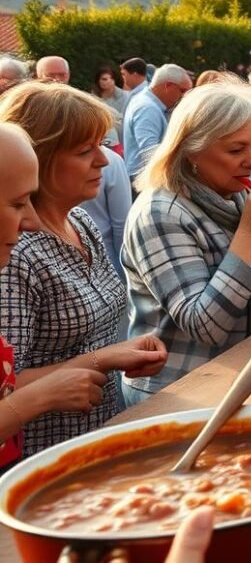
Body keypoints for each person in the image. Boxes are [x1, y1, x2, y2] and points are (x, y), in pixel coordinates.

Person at [121, 82, 251, 402]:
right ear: (192, 148)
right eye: (236, 150)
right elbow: (205, 324)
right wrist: (248, 231)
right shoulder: (159, 214)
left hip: (238, 374)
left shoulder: (230, 190)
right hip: (181, 391)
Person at [0, 85, 168, 454]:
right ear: (39, 160)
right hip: (43, 457)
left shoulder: (80, 220)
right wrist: (101, 359)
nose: (104, 161)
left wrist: (121, 351)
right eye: (83, 151)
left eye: (102, 145)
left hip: (98, 436)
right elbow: (7, 386)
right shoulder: (13, 253)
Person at [0, 123, 119, 470]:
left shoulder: (81, 223)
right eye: (19, 203)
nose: (31, 222)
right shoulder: (18, 262)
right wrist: (40, 397)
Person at [123, 64, 192, 178]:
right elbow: (150, 151)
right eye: (183, 91)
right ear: (168, 86)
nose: (185, 97)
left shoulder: (147, 102)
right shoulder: (147, 108)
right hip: (144, 179)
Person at [78, 145, 131, 279]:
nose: (103, 160)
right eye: (85, 149)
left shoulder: (78, 217)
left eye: (99, 141)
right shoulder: (112, 161)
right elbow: (122, 225)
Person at [91, 65, 130, 135]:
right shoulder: (93, 98)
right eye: (100, 79)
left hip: (121, 135)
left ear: (113, 80)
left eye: (105, 79)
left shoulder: (125, 97)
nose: (102, 82)